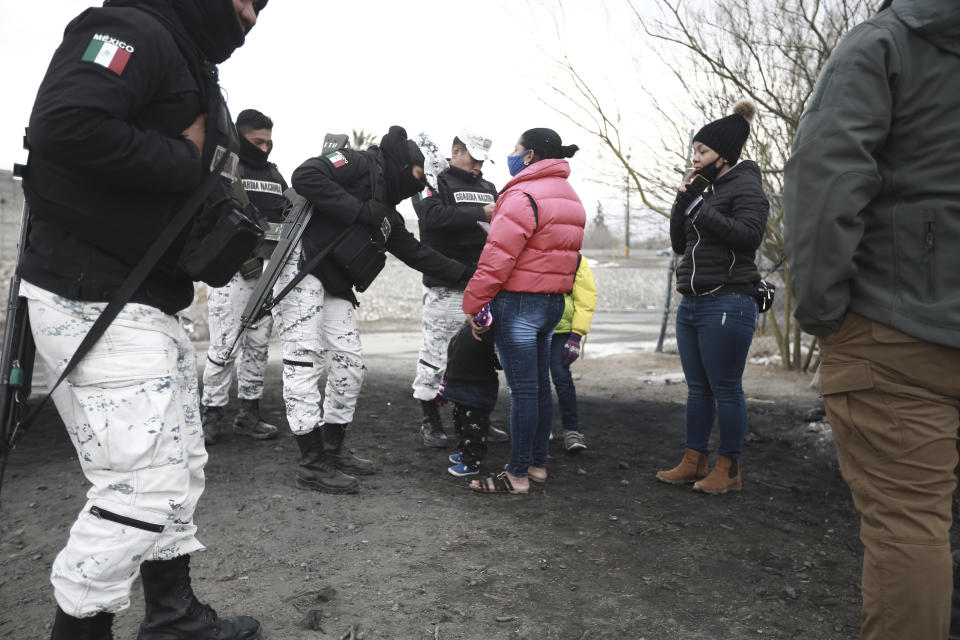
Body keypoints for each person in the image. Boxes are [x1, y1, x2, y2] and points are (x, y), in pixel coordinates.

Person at [18, 0, 267, 637]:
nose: (253, 15)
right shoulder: (129, 29)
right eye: (249, 0)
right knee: (138, 488)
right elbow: (64, 125)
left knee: (178, 466)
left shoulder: (185, 54)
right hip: (94, 293)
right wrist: (188, 163)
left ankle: (174, 617)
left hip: (143, 299)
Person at [783, 1, 960, 637]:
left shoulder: (884, 45)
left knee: (908, 526)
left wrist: (825, 313)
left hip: (899, 329)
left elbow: (824, 180)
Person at [279, 126, 471, 494]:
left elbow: (417, 253)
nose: (416, 187)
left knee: (350, 364)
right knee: (303, 360)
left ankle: (333, 448)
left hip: (336, 284)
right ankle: (312, 462)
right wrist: (358, 209)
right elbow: (306, 175)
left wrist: (468, 275)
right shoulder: (358, 163)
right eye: (415, 177)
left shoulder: (388, 213)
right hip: (302, 266)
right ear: (402, 165)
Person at [463, 128, 586, 495]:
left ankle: (515, 475)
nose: (511, 156)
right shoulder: (572, 197)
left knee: (523, 392)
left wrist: (473, 302)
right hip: (553, 303)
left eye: (516, 149)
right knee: (540, 389)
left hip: (518, 303)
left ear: (530, 155)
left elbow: (497, 257)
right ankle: (537, 464)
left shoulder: (522, 194)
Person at [655, 100, 767, 495]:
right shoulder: (706, 188)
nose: (694, 157)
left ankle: (729, 468)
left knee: (726, 387)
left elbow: (749, 236)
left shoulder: (747, 185)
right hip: (693, 302)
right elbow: (678, 244)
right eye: (694, 150)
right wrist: (683, 201)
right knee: (698, 388)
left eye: (702, 151)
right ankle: (693, 461)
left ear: (725, 154)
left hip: (730, 299)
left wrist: (700, 208)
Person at [411, 132, 507, 448]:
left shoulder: (489, 188)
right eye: (473, 158)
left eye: (482, 161)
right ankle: (430, 420)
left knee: (479, 358)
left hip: (483, 285)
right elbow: (431, 216)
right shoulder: (433, 180)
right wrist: (481, 214)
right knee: (436, 356)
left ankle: (476, 418)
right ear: (456, 151)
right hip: (445, 286)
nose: (478, 166)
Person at [201, 108, 287, 445]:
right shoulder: (227, 165)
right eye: (257, 141)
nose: (265, 148)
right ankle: (211, 413)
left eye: (269, 142)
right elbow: (214, 208)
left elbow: (286, 214)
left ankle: (248, 413)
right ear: (240, 136)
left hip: (265, 271)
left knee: (258, 345)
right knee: (225, 345)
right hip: (231, 271)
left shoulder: (275, 174)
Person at [442, 304, 500, 477]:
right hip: (462, 386)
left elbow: (500, 360)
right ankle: (465, 453)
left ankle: (471, 461)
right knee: (462, 425)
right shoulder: (473, 324)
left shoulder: (491, 327)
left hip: (477, 389)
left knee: (474, 429)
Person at [550, 254, 597, 452]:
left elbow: (586, 298)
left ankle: (571, 431)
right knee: (533, 380)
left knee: (561, 377)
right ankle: (540, 426)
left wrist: (576, 335)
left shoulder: (576, 260)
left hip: (562, 330)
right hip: (532, 326)